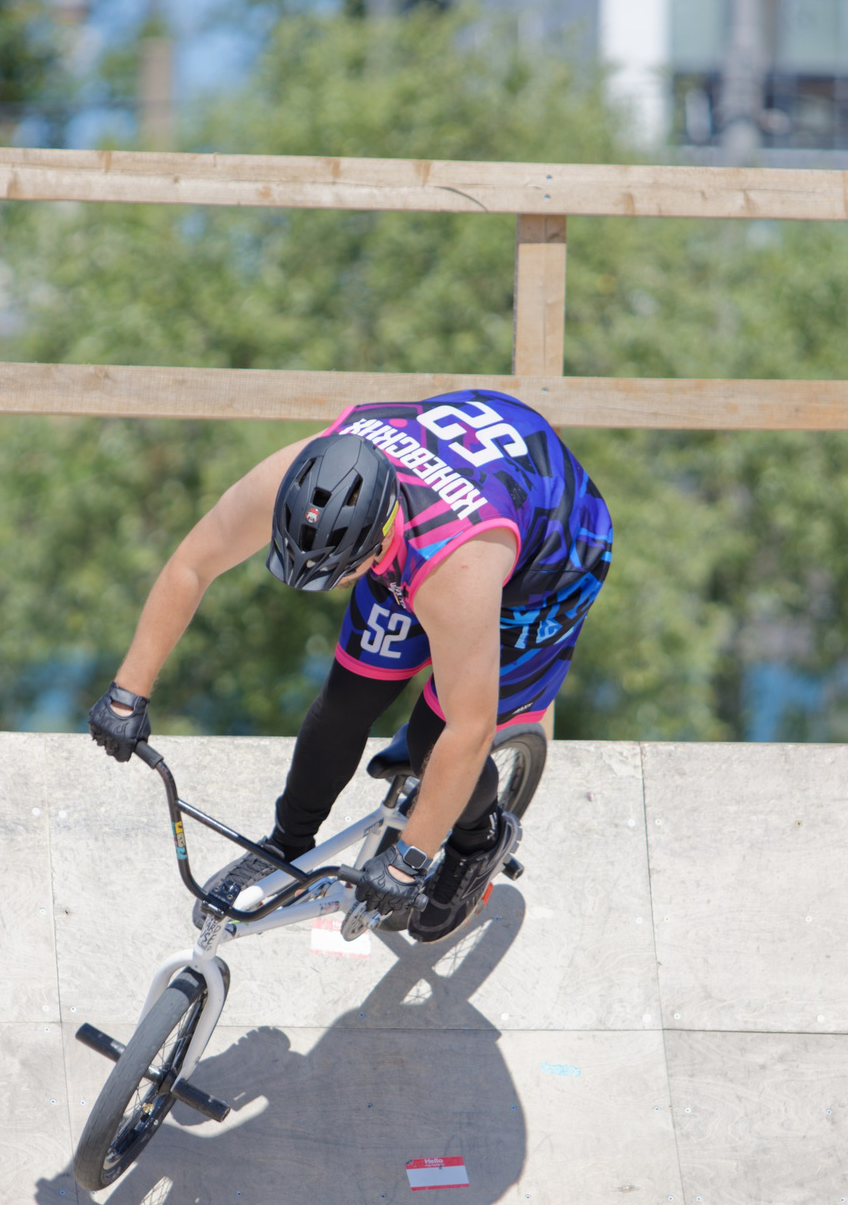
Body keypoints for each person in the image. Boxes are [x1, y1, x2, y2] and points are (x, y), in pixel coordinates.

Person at [88, 392, 613, 944]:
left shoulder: (452, 571)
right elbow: (193, 565)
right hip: (448, 497)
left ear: (380, 537)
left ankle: (479, 839)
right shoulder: (301, 470)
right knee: (346, 701)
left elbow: (471, 727)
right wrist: (128, 693)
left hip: (549, 559)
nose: (331, 586)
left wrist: (410, 860)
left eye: (340, 572)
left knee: (434, 736)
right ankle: (286, 843)